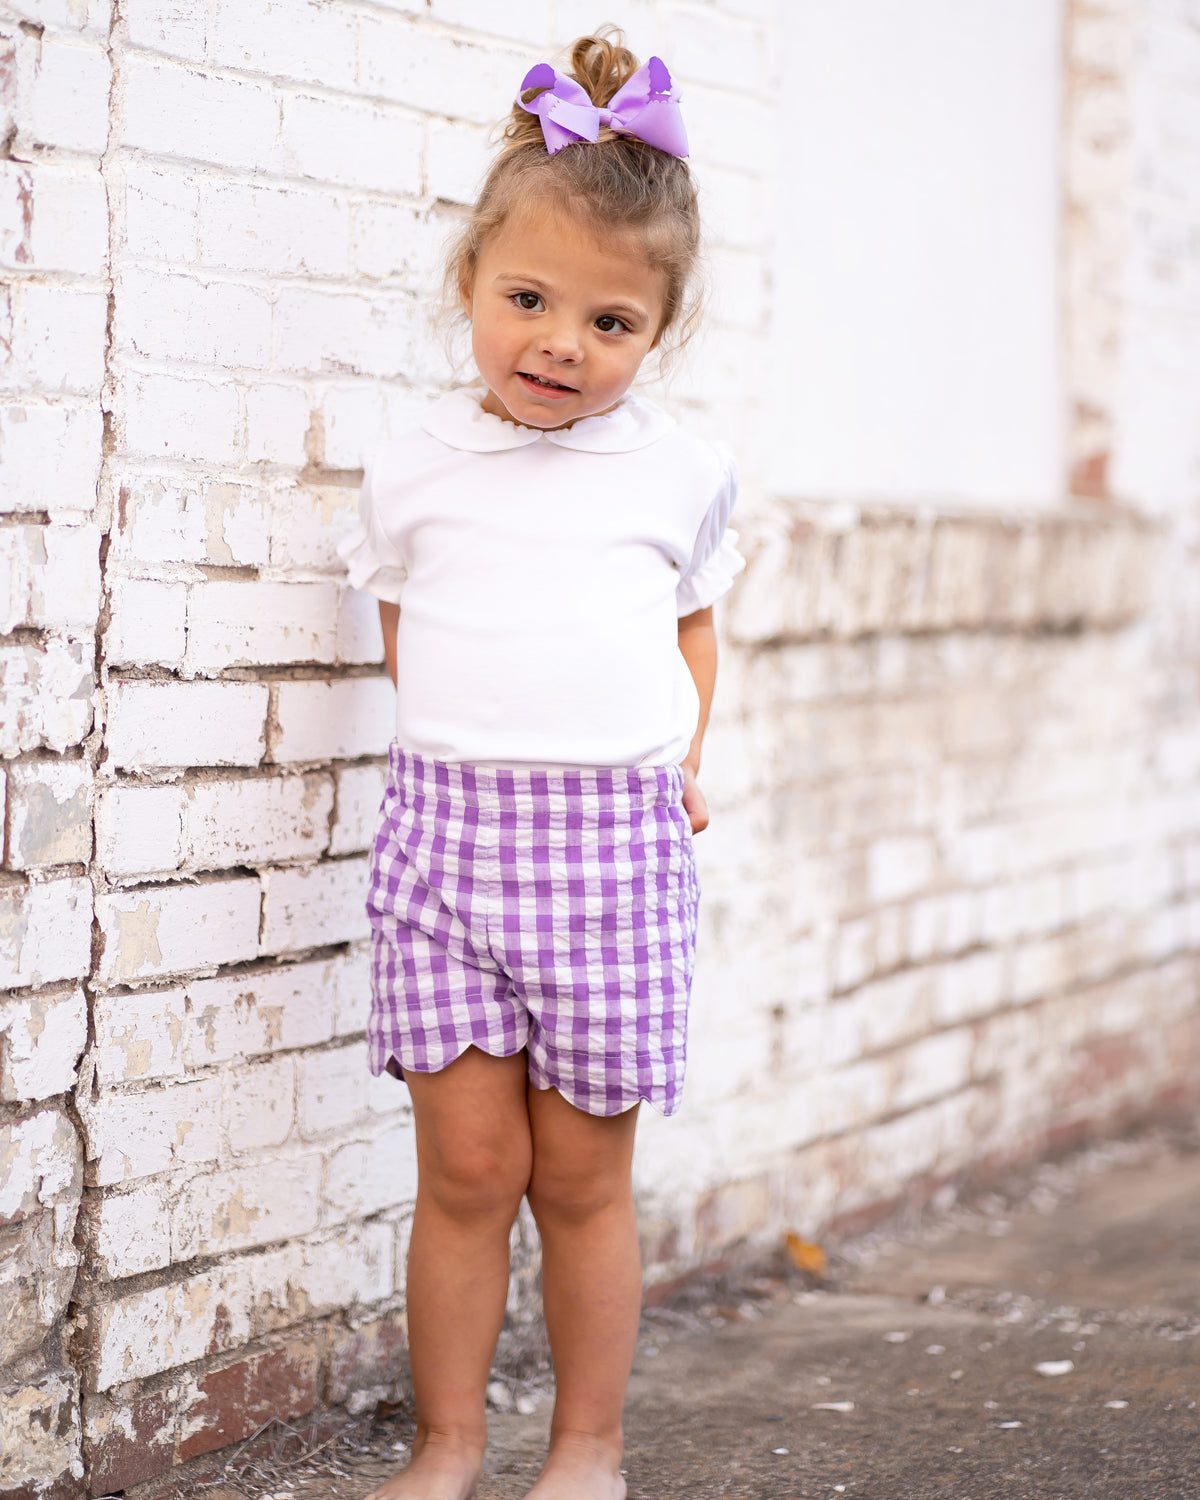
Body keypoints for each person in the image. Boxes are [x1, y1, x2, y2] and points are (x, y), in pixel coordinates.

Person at [337, 29, 744, 1500]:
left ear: (658, 331)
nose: (562, 343)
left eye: (611, 320)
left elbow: (691, 632)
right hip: (445, 850)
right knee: (465, 1176)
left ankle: (588, 1449)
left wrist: (677, 759)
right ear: (470, 289)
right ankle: (449, 1445)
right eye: (528, 300)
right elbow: (410, 634)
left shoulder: (681, 474)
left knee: (579, 1180)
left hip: (611, 859)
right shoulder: (412, 468)